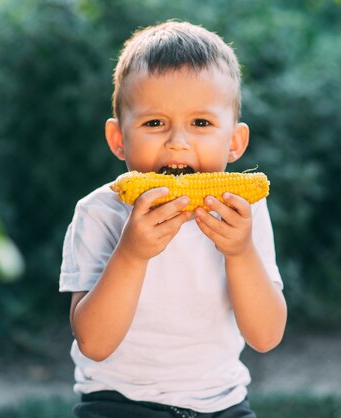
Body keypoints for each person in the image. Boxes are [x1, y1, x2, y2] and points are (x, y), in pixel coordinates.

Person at [59, 20, 287, 418]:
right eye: (154, 123)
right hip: (119, 405)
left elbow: (266, 336)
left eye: (201, 123)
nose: (177, 141)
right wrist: (131, 254)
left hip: (223, 405)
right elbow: (93, 342)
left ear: (234, 142)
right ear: (118, 139)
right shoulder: (98, 214)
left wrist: (239, 251)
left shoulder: (242, 213)